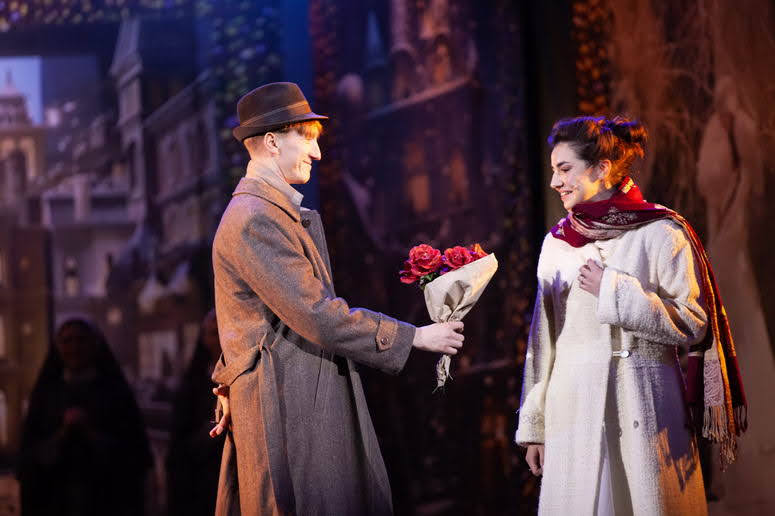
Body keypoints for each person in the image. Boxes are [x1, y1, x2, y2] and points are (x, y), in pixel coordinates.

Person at [208, 82, 464, 516]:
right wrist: (413, 337)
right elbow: (316, 315)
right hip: (289, 409)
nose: (317, 153)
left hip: (296, 398)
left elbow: (249, 317)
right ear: (272, 142)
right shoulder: (256, 219)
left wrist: (228, 377)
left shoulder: (270, 214)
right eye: (306, 139)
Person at [515, 116, 746, 515]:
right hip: (572, 412)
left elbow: (694, 322)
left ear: (601, 168)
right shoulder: (557, 244)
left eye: (565, 169)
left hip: (645, 405)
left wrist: (615, 291)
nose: (555, 181)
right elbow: (542, 343)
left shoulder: (661, 231)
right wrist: (535, 427)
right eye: (553, 170)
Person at [17, 318, 152, 516]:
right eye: (67, 341)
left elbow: (134, 454)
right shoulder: (45, 395)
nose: (74, 347)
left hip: (106, 500)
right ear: (58, 347)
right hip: (54, 500)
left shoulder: (116, 393)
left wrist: (90, 433)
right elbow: (30, 454)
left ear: (95, 345)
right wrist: (62, 434)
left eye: (81, 340)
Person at [166, 309, 224, 516]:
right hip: (202, 481)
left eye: (224, 331)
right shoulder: (192, 385)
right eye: (214, 333)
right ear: (204, 339)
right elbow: (179, 446)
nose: (221, 340)